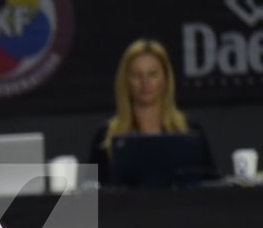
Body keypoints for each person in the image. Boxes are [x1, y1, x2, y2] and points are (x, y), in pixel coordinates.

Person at [89, 38, 212, 183]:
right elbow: (86, 199)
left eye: (152, 74)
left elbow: (212, 192)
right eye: (136, 75)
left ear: (165, 80)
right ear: (126, 81)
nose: (145, 82)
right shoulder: (105, 138)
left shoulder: (190, 132)